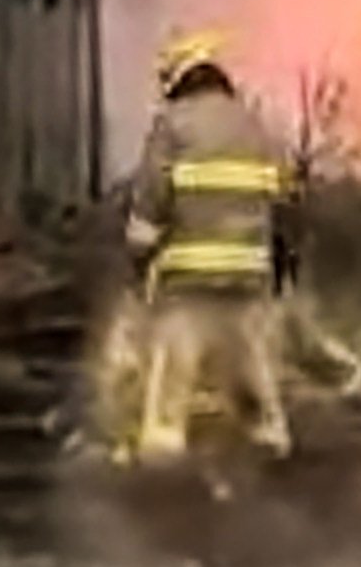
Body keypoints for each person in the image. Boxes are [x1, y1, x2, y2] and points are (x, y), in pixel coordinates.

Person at [125, 30, 293, 464]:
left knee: (176, 356)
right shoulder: (254, 125)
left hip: (190, 272)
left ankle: (163, 443)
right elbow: (281, 198)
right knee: (247, 353)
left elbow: (151, 197)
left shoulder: (173, 124)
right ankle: (267, 431)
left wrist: (138, 253)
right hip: (248, 271)